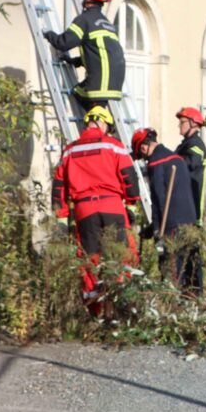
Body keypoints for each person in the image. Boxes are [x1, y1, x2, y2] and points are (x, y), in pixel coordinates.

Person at [52, 104, 139, 314]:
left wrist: (61, 217)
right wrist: (131, 205)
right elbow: (129, 177)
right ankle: (121, 304)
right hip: (111, 204)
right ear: (103, 123)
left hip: (84, 208)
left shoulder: (70, 150)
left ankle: (95, 311)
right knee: (120, 254)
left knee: (90, 259)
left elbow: (59, 186)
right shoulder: (114, 146)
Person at [130, 127, 200, 290]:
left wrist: (156, 230)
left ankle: (171, 300)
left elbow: (158, 199)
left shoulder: (155, 162)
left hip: (171, 224)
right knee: (191, 266)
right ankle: (194, 298)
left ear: (143, 147)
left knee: (170, 268)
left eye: (141, 156)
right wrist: (149, 229)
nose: (144, 159)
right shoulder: (177, 158)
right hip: (189, 220)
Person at [43, 0, 125, 113]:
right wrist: (75, 61)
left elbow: (63, 43)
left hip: (100, 83)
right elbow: (99, 53)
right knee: (88, 102)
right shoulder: (106, 23)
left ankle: (96, 123)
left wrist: (47, 33)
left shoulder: (85, 20)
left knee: (92, 112)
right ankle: (102, 122)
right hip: (114, 82)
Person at [175, 106, 206, 293]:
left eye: (182, 122)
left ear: (193, 124)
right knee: (183, 255)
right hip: (184, 208)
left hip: (193, 210)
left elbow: (190, 162)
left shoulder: (196, 145)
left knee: (193, 256)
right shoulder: (185, 145)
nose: (179, 126)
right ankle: (187, 292)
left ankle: (196, 293)